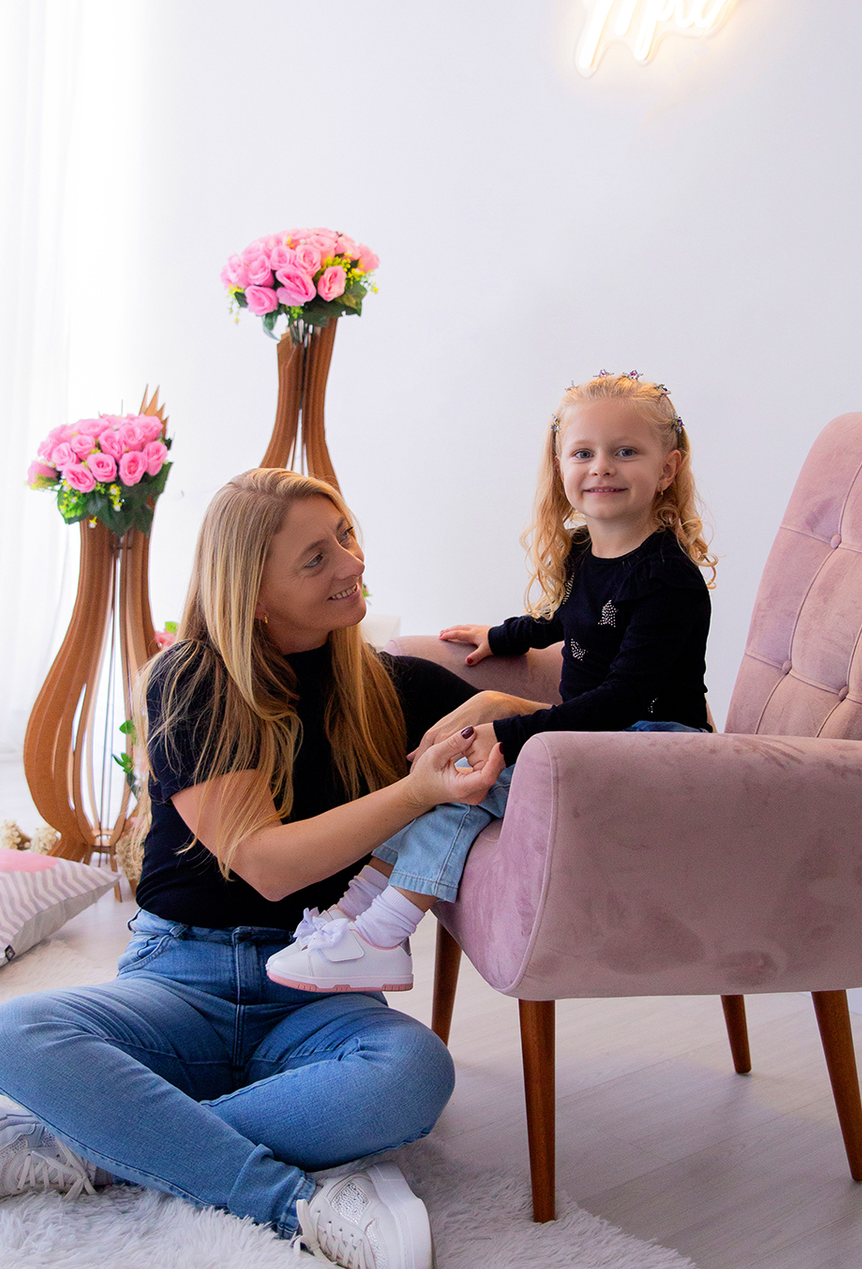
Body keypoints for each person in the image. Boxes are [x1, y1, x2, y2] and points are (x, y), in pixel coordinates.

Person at [0, 468, 503, 1269]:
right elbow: (268, 863)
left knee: (414, 1073)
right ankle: (293, 1204)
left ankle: (100, 1146)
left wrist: (568, 688)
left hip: (314, 984)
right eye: (315, 558)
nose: (349, 562)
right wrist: (416, 791)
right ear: (256, 592)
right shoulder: (192, 681)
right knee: (17, 1035)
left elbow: (518, 722)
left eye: (344, 536)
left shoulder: (391, 686)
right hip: (182, 978)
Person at [265, 370, 715, 996]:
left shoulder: (667, 578)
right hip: (603, 731)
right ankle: (349, 917)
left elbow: (622, 698)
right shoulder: (590, 553)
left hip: (658, 743)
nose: (601, 467)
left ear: (666, 470)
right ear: (560, 466)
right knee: (437, 784)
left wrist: (509, 730)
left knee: (471, 783)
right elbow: (568, 620)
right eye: (583, 452)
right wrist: (504, 637)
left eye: (626, 451)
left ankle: (382, 937)